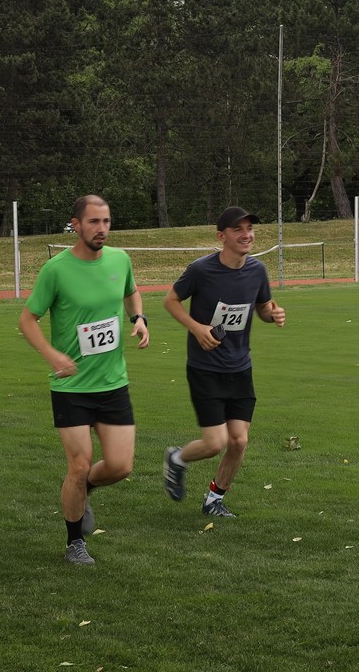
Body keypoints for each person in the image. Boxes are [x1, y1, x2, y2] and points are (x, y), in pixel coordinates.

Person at [21, 193, 148, 566]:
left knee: (121, 466)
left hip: (113, 383)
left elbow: (131, 293)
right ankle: (74, 542)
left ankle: (84, 488)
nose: (102, 229)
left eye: (106, 221)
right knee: (78, 464)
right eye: (94, 222)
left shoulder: (120, 260)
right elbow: (27, 320)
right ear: (75, 225)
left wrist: (139, 319)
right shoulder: (56, 270)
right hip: (71, 387)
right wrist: (52, 355)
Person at [162, 207, 287, 520]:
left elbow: (262, 307)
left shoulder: (257, 270)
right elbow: (170, 301)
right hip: (205, 368)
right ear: (222, 236)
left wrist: (273, 314)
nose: (246, 234)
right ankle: (177, 458)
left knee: (239, 441)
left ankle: (214, 499)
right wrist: (197, 328)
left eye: (249, 228)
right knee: (214, 442)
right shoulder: (201, 270)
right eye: (238, 229)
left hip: (240, 367)